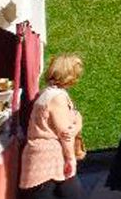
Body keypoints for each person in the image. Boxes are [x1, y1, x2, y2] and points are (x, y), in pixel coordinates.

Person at [20, 54, 85, 198]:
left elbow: (75, 116)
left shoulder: (46, 93)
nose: (77, 78)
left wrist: (76, 126)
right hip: (49, 159)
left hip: (41, 158)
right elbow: (65, 134)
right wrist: (71, 159)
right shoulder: (58, 97)